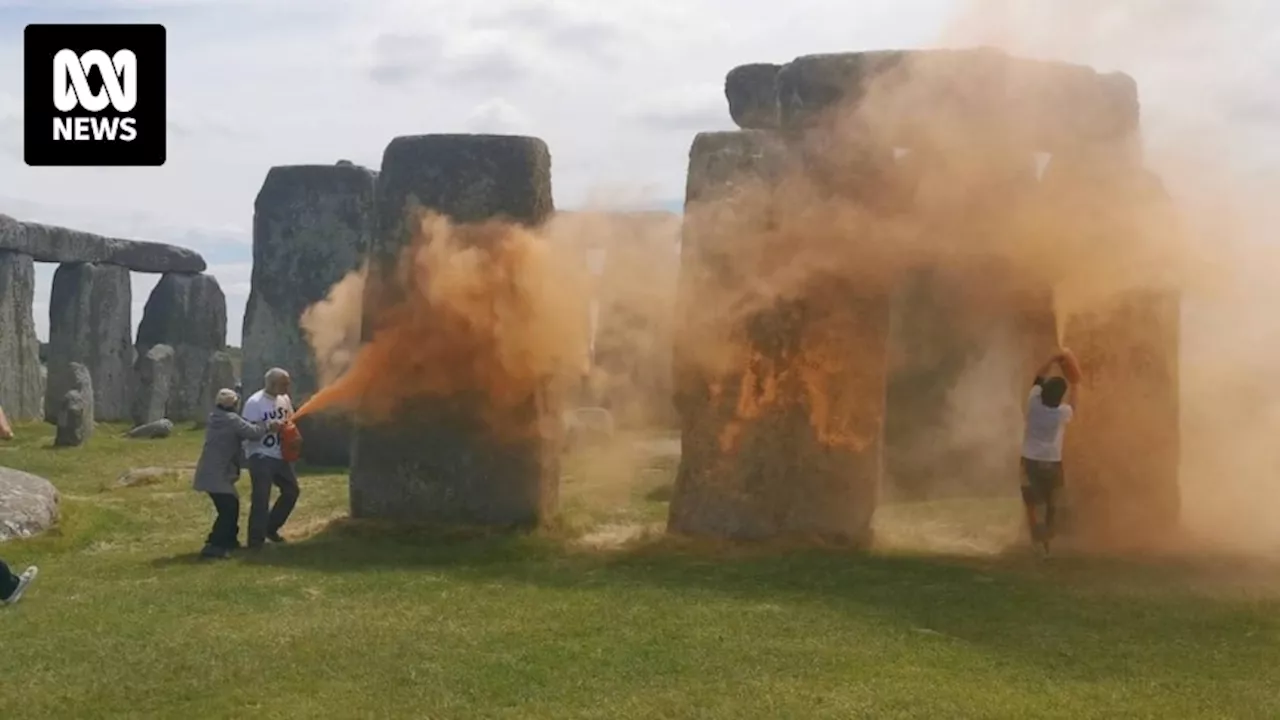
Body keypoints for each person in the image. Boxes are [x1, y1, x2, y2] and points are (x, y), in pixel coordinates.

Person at [193, 388, 283, 559]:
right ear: (234, 404)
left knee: (230, 505)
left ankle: (229, 540)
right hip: (217, 473)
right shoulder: (231, 419)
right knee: (228, 509)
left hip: (211, 471)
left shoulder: (216, 417)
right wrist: (269, 426)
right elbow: (252, 433)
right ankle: (215, 546)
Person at [1020, 349, 1077, 558]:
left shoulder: (1033, 402)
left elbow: (1038, 376)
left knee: (1032, 503)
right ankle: (1048, 538)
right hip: (1052, 463)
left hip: (1030, 461)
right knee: (1053, 502)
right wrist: (1075, 382)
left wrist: (1052, 358)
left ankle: (1037, 539)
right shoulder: (1061, 413)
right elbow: (1074, 404)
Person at [241, 368, 299, 549]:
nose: (288, 387)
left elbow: (290, 420)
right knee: (261, 497)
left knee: (291, 491)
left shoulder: (284, 400)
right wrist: (267, 427)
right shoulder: (254, 402)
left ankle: (270, 528)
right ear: (272, 383)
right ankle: (255, 541)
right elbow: (246, 431)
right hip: (260, 455)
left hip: (280, 454)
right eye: (284, 383)